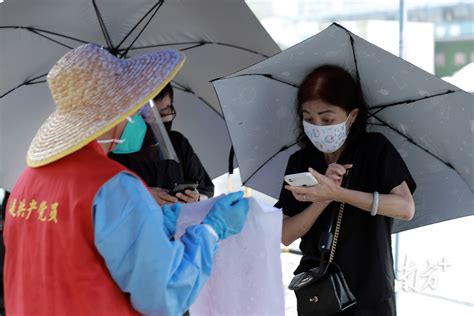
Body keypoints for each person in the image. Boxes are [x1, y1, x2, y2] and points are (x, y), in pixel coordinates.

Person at [3, 44, 249, 316]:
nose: (142, 119)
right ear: (119, 113)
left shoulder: (28, 180)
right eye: (137, 110)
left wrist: (163, 219)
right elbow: (165, 293)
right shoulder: (112, 185)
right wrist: (211, 231)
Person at [276, 65, 416, 315]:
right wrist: (321, 199)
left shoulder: (374, 149)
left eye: (327, 119)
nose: (317, 126)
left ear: (351, 116)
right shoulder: (300, 162)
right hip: (318, 291)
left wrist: (338, 194)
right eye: (308, 118)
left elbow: (405, 208)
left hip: (370, 292)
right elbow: (285, 234)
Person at [110, 83, 214, 206]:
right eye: (149, 116)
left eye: (164, 113)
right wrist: (142, 195)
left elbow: (206, 189)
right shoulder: (114, 150)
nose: (157, 123)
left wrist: (195, 197)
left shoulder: (177, 142)